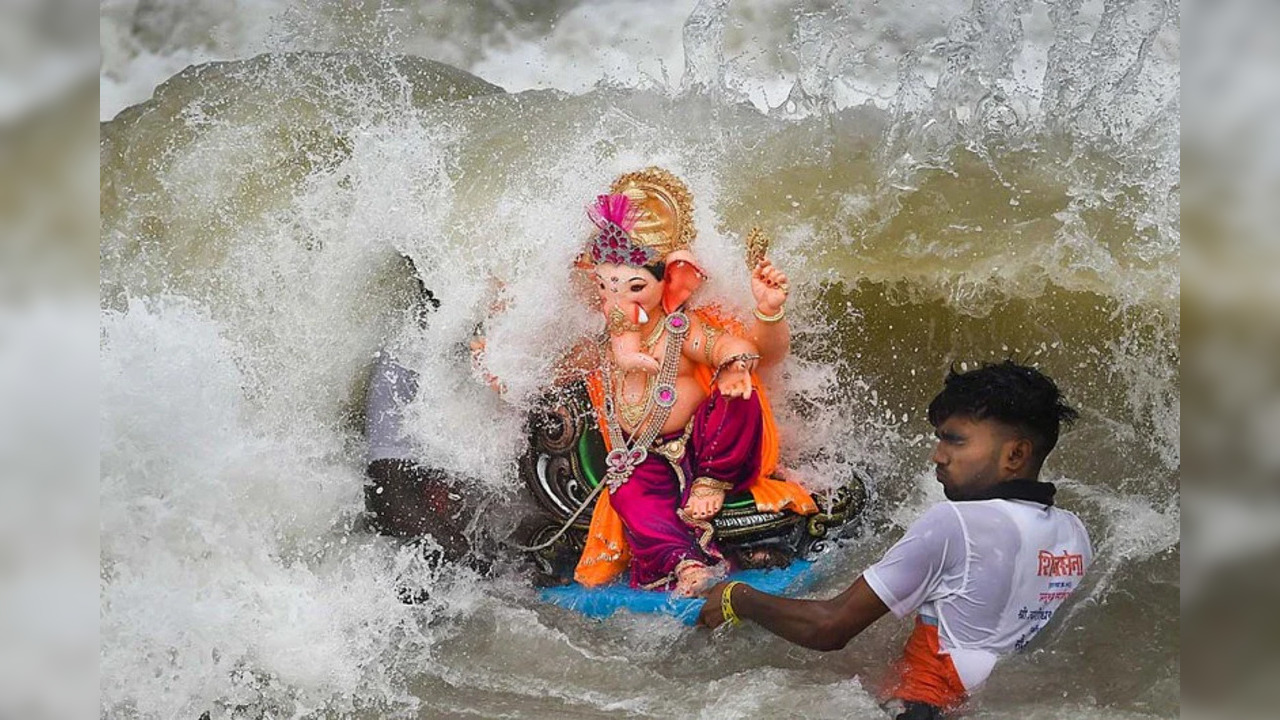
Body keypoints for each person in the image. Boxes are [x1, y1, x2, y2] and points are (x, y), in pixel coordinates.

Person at [696, 361, 1092, 719]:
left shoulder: (955, 523)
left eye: (955, 441)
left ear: (1015, 455)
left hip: (918, 707)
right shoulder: (1074, 533)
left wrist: (739, 597)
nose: (938, 455)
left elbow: (829, 627)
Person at [553, 167, 819, 596]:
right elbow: (553, 371)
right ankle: (687, 564)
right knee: (628, 496)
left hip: (703, 448)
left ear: (672, 282)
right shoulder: (603, 343)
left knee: (739, 394)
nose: (618, 301)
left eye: (634, 287)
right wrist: (503, 371)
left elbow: (739, 347)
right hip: (645, 460)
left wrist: (742, 353)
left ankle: (712, 481)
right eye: (606, 288)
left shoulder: (682, 329)